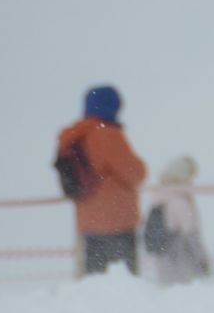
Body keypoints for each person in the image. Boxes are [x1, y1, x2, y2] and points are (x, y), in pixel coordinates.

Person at [56, 85, 148, 275]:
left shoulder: (72, 137)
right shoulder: (106, 134)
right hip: (117, 222)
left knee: (95, 283)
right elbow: (134, 173)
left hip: (88, 224)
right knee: (125, 284)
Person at [143, 156, 211, 285]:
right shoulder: (179, 201)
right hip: (181, 262)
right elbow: (190, 232)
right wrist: (202, 261)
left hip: (162, 260)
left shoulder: (158, 199)